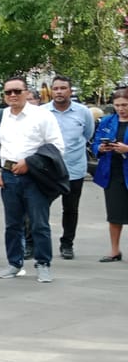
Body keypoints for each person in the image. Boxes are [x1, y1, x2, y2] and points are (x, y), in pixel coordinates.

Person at [0, 76, 66, 283]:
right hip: (8, 176)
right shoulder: (2, 116)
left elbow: (57, 147)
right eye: (8, 92)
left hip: (35, 177)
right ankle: (14, 262)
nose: (12, 95)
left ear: (26, 92)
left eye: (17, 91)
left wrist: (30, 162)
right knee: (13, 223)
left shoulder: (42, 115)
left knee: (39, 223)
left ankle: (43, 263)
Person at [43, 76, 94, 260]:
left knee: (71, 209)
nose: (59, 91)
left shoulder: (83, 112)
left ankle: (67, 244)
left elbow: (88, 134)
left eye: (63, 88)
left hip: (74, 169)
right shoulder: (42, 112)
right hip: (48, 171)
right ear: (51, 91)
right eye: (55, 88)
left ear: (70, 91)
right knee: (39, 207)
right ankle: (35, 243)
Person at [92, 88, 128, 262]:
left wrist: (127, 150)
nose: (121, 109)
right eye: (118, 105)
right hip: (112, 173)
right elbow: (95, 142)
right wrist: (100, 148)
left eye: (125, 105)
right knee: (114, 214)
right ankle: (114, 250)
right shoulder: (107, 121)